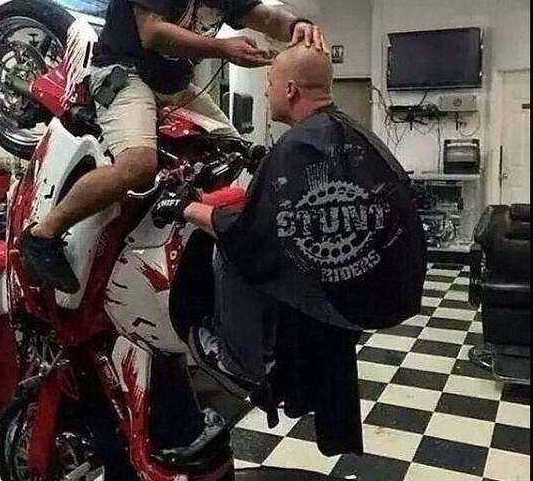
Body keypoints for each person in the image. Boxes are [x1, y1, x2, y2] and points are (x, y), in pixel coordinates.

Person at [19, 0, 327, 293]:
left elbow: (264, 16)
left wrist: (296, 24)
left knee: (236, 151)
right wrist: (221, 48)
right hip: (124, 72)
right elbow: (152, 33)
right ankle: (42, 234)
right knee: (137, 166)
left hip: (175, 82)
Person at [152, 44, 427, 396]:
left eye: (270, 82)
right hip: (393, 290)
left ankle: (240, 361)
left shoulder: (298, 146)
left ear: (291, 89)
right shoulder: (353, 133)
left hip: (353, 302)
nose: (267, 92)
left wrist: (184, 206)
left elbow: (250, 235)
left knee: (233, 252)